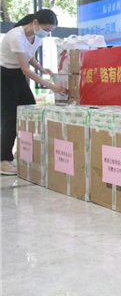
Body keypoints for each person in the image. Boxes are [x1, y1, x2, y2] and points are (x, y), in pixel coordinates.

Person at [1, 9, 68, 175]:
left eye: (50, 31)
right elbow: (25, 69)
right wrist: (50, 86)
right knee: (10, 117)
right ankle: (3, 160)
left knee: (29, 109)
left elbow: (28, 55)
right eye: (46, 29)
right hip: (4, 75)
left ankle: (24, 150)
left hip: (17, 74)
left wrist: (40, 68)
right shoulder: (16, 35)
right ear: (36, 23)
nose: (46, 33)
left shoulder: (36, 36)